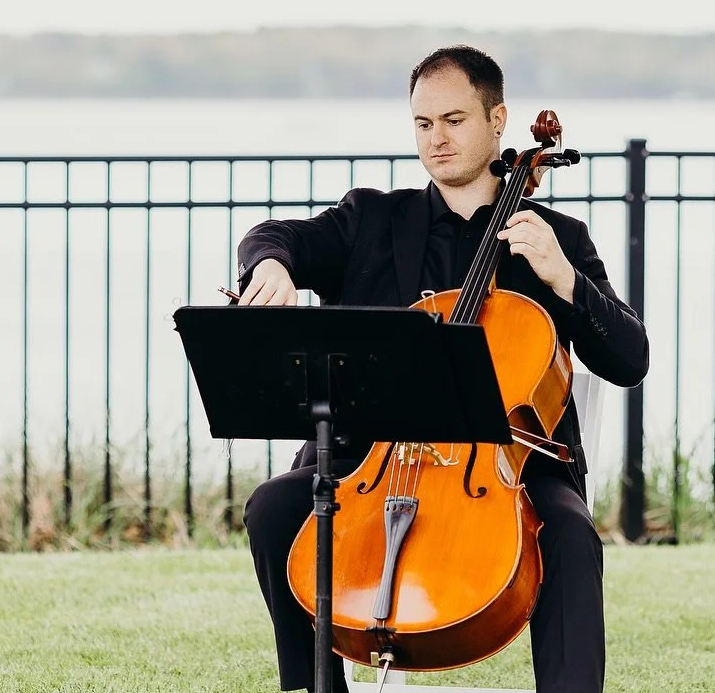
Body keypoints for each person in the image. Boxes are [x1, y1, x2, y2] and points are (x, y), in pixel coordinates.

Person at [237, 45, 649, 693]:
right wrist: (269, 266)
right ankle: (319, 690)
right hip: (369, 459)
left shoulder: (557, 238)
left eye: (454, 120)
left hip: (510, 469)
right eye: (424, 123)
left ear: (497, 120)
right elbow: (273, 236)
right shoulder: (371, 219)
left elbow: (629, 358)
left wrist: (566, 280)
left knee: (571, 534)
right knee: (272, 508)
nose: (437, 138)